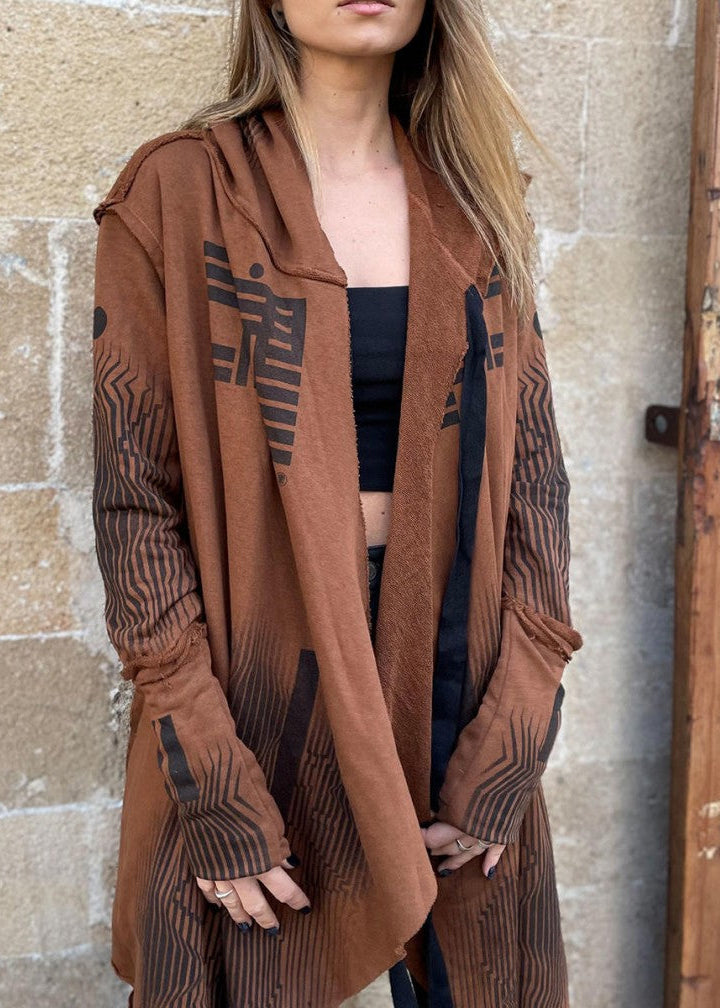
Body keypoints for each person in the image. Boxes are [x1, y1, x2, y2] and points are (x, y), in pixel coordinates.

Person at [90, 1, 584, 1006]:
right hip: (261, 691)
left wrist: (515, 730)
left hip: (452, 676)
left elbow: (536, 477)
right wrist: (210, 772)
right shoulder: (181, 193)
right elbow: (136, 505)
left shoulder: (475, 197)